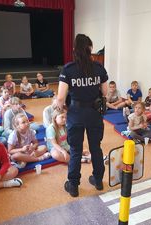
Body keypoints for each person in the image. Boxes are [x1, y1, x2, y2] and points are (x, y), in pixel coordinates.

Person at [56, 34, 108, 197]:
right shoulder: (99, 68)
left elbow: (60, 98)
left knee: (76, 150)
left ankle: (73, 186)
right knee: (95, 148)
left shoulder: (68, 69)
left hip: (76, 114)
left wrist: (62, 107)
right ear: (90, 49)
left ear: (74, 50)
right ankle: (98, 180)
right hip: (94, 113)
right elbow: (105, 93)